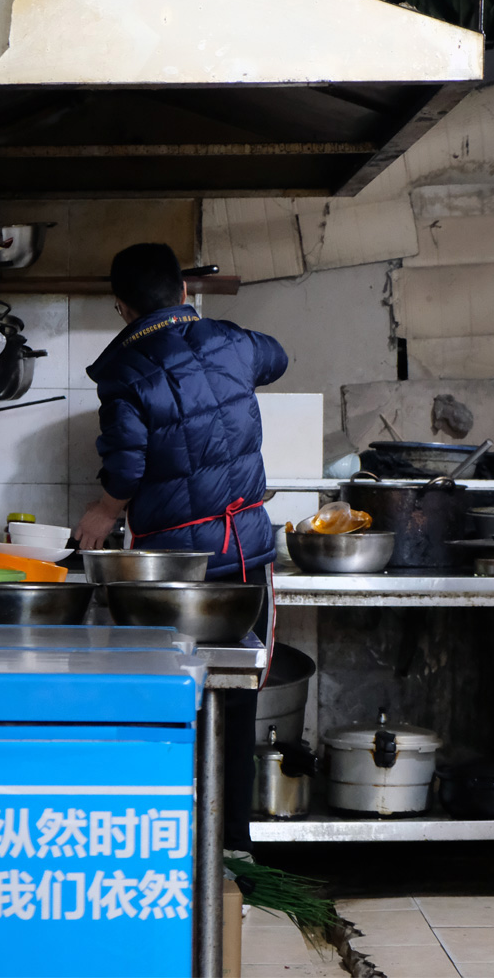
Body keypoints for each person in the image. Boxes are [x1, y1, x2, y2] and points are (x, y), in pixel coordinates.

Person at [76, 242, 287, 854]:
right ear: (185, 292)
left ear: (121, 306)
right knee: (239, 692)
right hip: (245, 551)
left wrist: (102, 510)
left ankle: (172, 840)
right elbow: (278, 356)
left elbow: (126, 465)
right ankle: (233, 848)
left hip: (173, 570)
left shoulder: (123, 374)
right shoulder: (234, 342)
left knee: (169, 692)